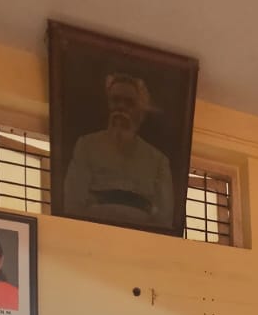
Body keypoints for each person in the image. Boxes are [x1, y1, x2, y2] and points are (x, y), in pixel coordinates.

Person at [62, 72, 174, 228]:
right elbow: (73, 202)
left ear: (140, 111)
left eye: (129, 102)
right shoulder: (86, 145)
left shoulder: (158, 161)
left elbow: (165, 218)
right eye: (116, 100)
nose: (121, 107)